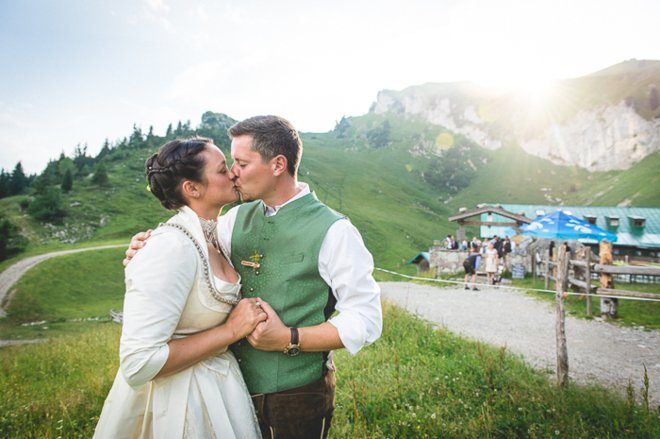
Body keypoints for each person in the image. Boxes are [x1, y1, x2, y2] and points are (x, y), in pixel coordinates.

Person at [125, 115, 382, 439]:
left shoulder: (335, 230)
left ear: (277, 164)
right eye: (230, 163)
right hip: (226, 391)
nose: (232, 172)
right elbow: (190, 255)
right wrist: (143, 248)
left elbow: (366, 318)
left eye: (241, 163)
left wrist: (290, 338)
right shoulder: (232, 220)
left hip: (295, 394)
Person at [95, 138, 264, 438]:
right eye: (223, 169)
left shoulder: (216, 235)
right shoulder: (170, 247)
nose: (234, 174)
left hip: (219, 390)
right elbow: (138, 362)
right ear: (192, 188)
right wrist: (230, 331)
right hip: (177, 403)